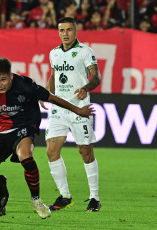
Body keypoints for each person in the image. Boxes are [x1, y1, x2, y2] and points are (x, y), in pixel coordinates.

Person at [0, 57, 95, 222]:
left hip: (23, 126)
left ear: (11, 76)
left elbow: (52, 98)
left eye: (3, 80)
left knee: (25, 156)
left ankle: (36, 200)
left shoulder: (25, 84)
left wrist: (78, 110)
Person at [45, 17, 101, 212]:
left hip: (80, 107)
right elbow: (53, 75)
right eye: (62, 30)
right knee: (51, 151)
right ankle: (65, 196)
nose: (65, 33)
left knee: (85, 152)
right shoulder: (54, 53)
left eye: (69, 30)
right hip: (59, 108)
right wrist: (47, 93)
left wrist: (86, 87)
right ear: (58, 32)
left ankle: (94, 197)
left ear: (75, 31)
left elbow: (96, 77)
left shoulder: (85, 51)